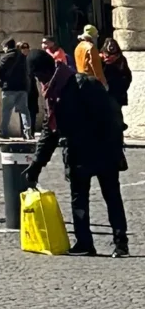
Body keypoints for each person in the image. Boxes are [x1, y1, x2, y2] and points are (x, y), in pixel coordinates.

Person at [27, 46, 127, 257]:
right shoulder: (54, 92)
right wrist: (37, 163)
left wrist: (115, 149)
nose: (38, 80)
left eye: (37, 75)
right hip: (79, 153)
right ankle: (85, 243)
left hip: (101, 150)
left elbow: (112, 117)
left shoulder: (83, 84)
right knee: (81, 198)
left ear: (44, 71)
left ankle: (120, 243)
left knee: (110, 196)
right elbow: (49, 131)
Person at [0, 36, 32, 138]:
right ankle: (28, 132)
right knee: (24, 110)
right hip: (22, 87)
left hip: (9, 87)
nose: (3, 49)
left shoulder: (6, 57)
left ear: (6, 46)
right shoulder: (23, 56)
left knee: (6, 111)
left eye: (3, 47)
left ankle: (4, 132)